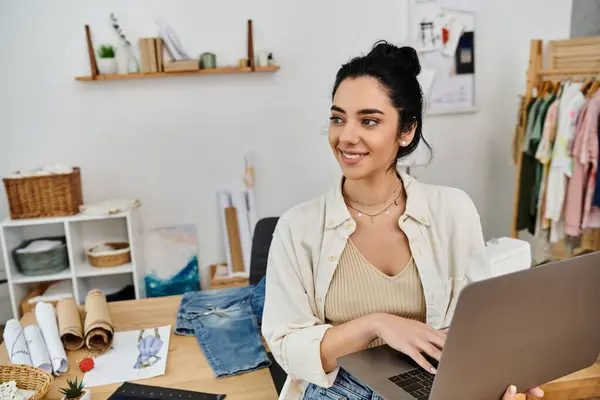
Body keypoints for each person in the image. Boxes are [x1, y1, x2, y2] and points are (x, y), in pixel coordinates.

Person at [261, 41, 544, 400]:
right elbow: (286, 346)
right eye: (337, 118)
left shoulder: (453, 210)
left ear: (406, 131)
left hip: (431, 382)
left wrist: (503, 372)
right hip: (337, 389)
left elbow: (476, 327)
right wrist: (376, 324)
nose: (346, 136)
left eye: (369, 121)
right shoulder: (296, 228)